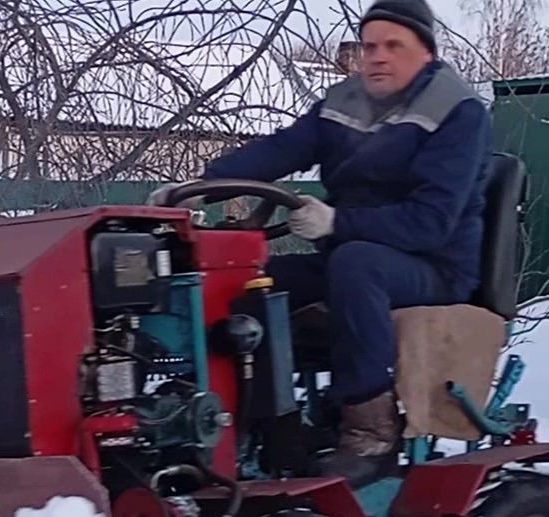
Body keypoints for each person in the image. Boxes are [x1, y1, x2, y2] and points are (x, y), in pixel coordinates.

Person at [170, 0, 491, 486]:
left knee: (358, 265)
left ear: (426, 52)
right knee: (249, 284)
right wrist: (200, 185)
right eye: (370, 46)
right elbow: (281, 148)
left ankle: (371, 433)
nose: (377, 57)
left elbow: (430, 223)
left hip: (434, 266)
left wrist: (337, 222)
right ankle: (263, 427)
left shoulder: (457, 113)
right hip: (350, 257)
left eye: (393, 46)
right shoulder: (344, 103)